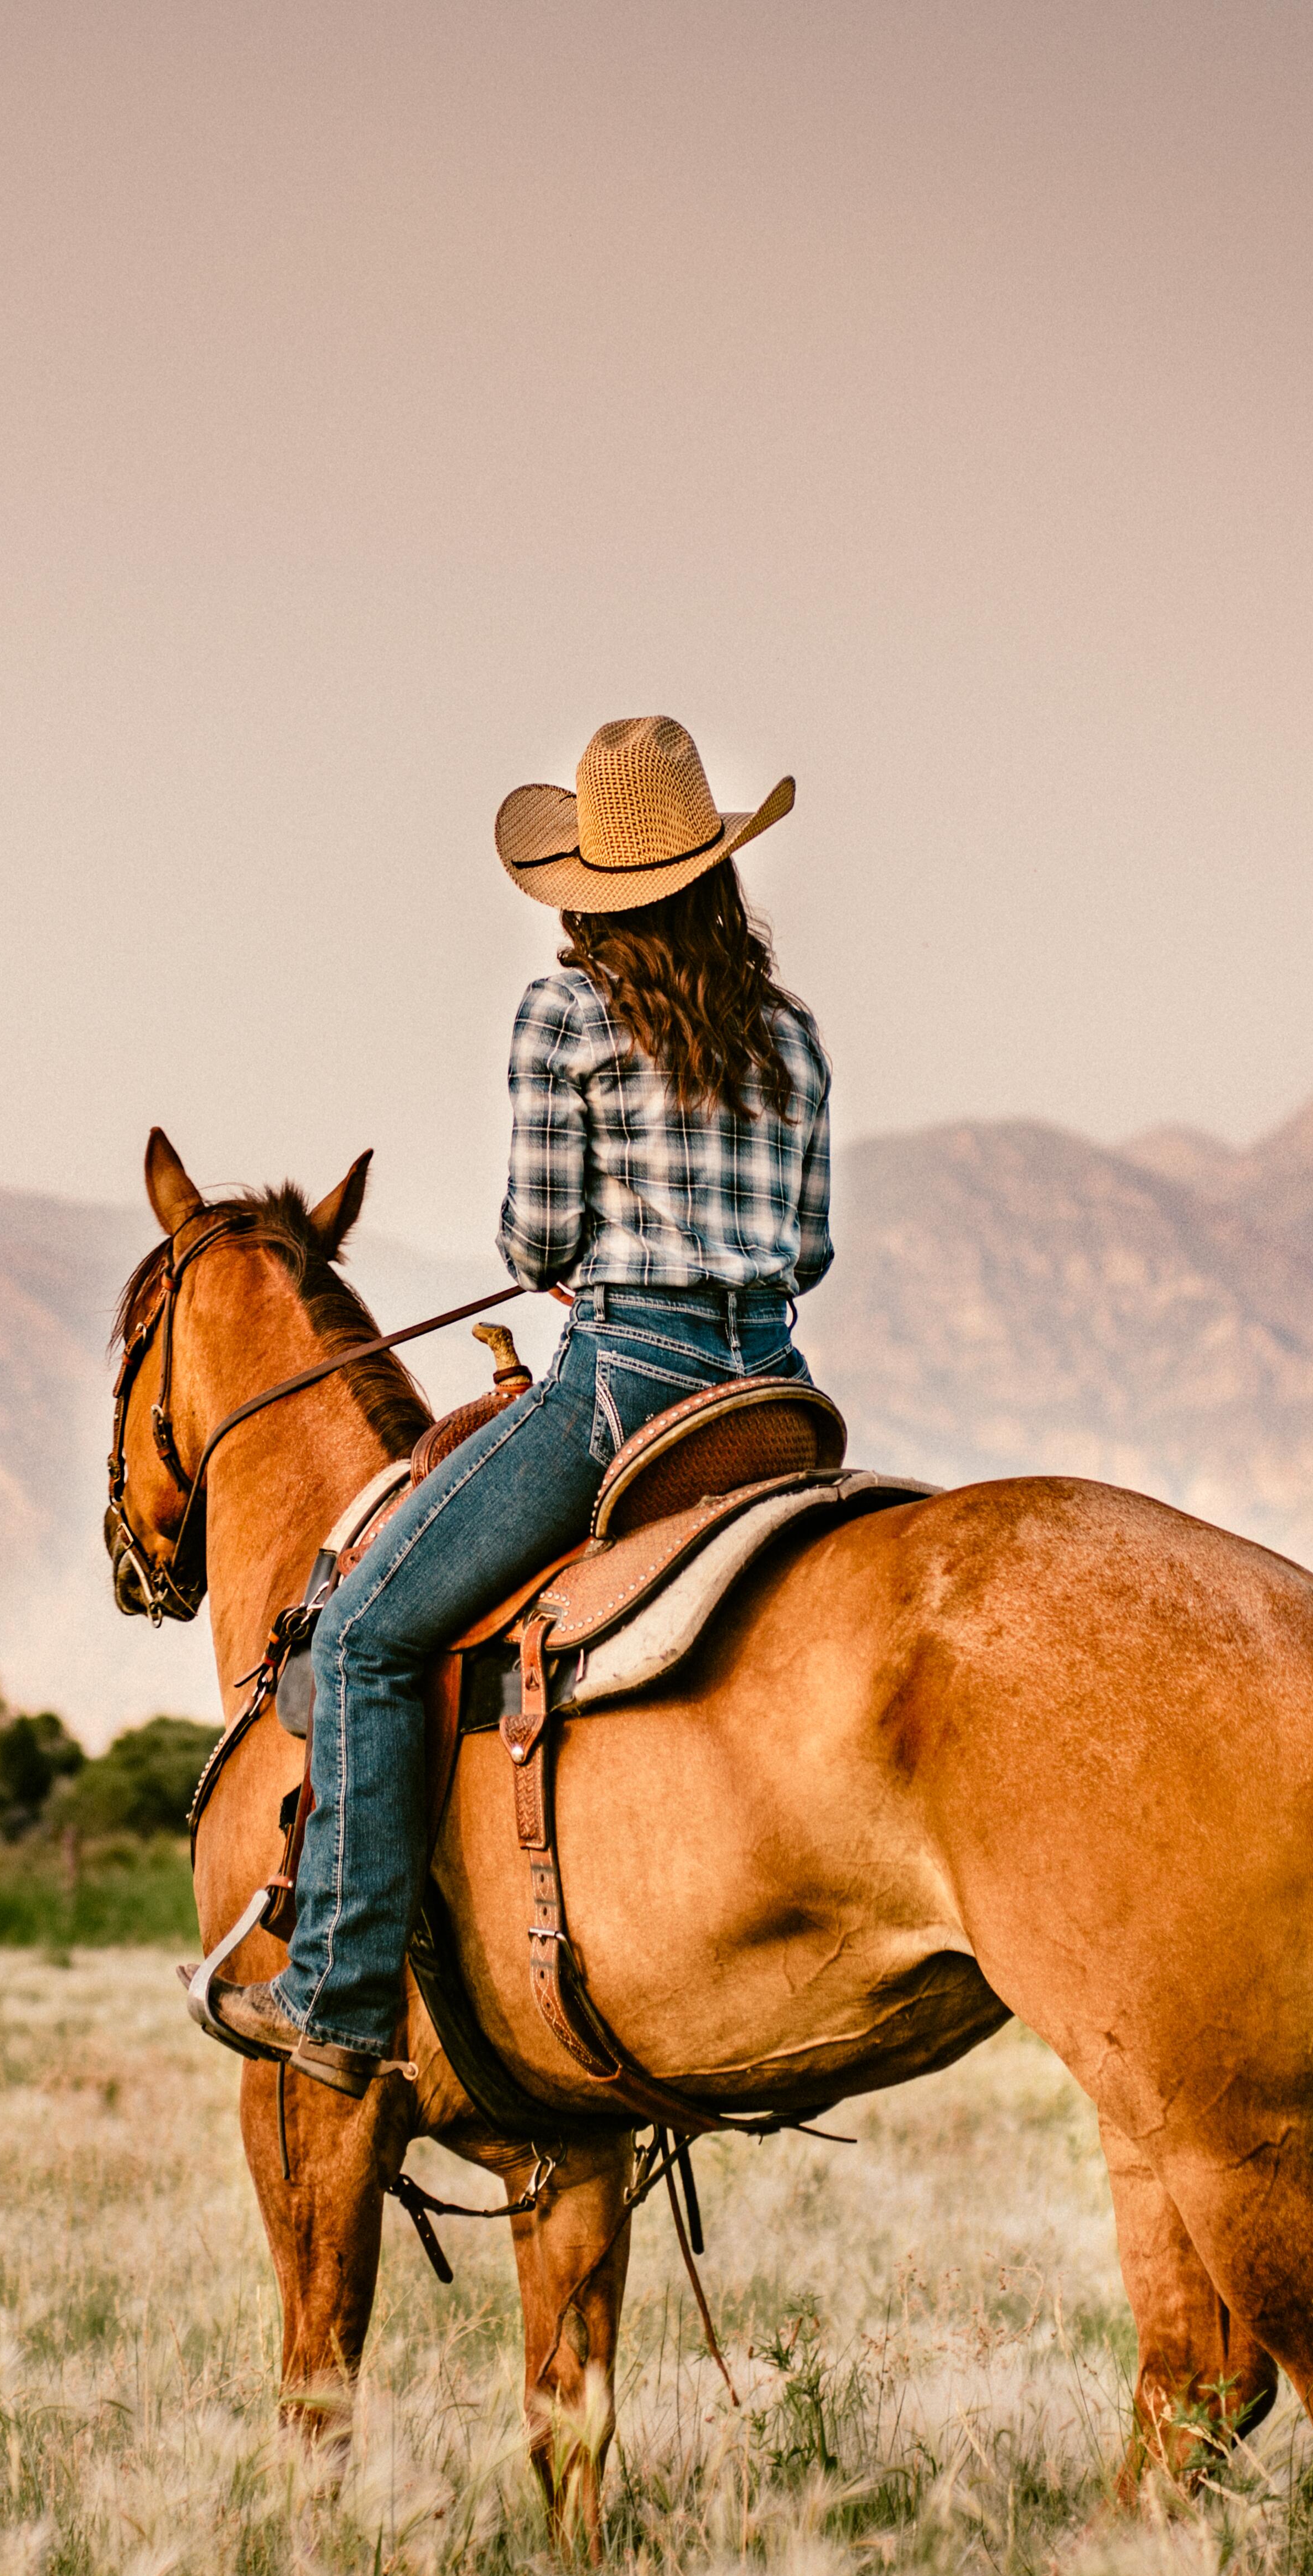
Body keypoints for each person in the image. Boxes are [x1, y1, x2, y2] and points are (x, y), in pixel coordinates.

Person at [203, 715, 832, 2096]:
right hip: (776, 1394)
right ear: (723, 872)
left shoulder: (565, 1016)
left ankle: (340, 1995)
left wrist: (587, 1253)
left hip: (628, 1385)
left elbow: (538, 1243)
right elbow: (810, 1248)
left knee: (368, 1631)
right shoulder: (792, 1035)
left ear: (591, 893)